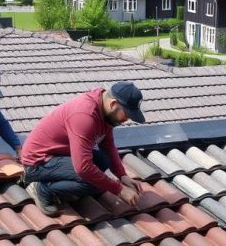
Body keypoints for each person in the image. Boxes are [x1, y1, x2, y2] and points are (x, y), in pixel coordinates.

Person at [20, 82, 146, 217]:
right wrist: (120, 190)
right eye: (126, 115)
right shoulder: (84, 115)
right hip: (38, 161)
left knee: (104, 162)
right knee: (94, 183)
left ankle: (65, 185)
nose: (126, 120)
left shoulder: (104, 111)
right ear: (113, 104)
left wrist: (122, 176)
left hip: (60, 154)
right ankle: (42, 189)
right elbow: (83, 168)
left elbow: (108, 145)